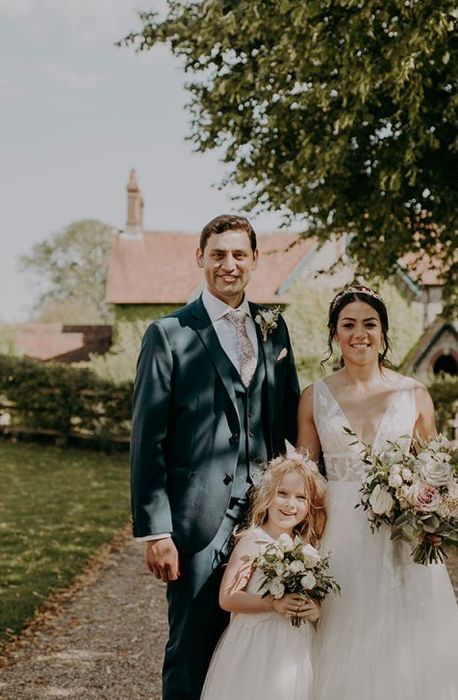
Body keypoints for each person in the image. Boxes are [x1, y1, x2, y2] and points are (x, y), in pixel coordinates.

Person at [130, 214, 300, 700]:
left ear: (254, 260)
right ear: (200, 258)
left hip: (267, 519)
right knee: (193, 644)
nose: (229, 264)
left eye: (239, 254)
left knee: (256, 645)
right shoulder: (169, 334)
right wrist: (156, 530)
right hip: (198, 521)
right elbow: (148, 439)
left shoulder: (274, 327)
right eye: (219, 254)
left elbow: (290, 415)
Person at [297, 284, 458, 699]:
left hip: (401, 539)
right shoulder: (314, 397)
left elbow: (438, 470)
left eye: (369, 324)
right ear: (334, 334)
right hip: (339, 539)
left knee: (408, 637)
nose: (359, 333)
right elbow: (304, 479)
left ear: (383, 333)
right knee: (341, 634)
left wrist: (436, 512)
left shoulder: (413, 395)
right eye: (347, 325)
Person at [200, 451, 327, 700]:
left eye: (301, 498)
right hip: (257, 646)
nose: (290, 504)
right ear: (267, 495)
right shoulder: (253, 541)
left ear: (309, 505)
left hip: (295, 648)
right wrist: (273, 603)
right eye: (283, 493)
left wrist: (313, 609)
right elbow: (228, 598)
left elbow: (311, 595)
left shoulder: (308, 549)